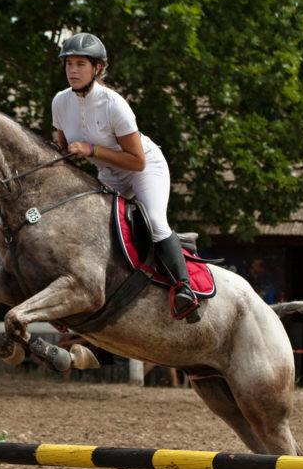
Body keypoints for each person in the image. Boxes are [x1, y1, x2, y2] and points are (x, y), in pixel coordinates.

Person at [52, 32, 197, 320]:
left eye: (80, 64)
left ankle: (184, 289)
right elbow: (63, 149)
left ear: (97, 68)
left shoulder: (113, 104)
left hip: (144, 168)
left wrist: (91, 149)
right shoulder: (60, 102)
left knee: (154, 220)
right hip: (109, 174)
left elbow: (137, 161)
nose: (72, 71)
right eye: (69, 64)